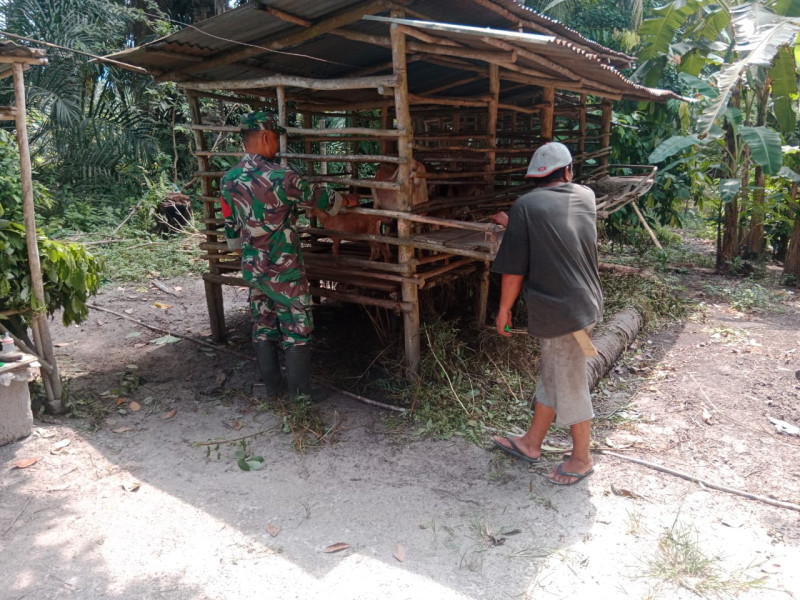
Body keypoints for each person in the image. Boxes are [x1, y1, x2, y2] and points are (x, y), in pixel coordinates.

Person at [490, 142, 603, 485]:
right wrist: (518, 224)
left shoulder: (526, 205)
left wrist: (504, 310)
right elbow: (559, 232)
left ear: (535, 178)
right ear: (568, 171)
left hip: (561, 316)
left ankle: (582, 458)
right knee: (554, 375)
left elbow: (514, 270)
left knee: (569, 380)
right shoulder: (586, 196)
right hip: (587, 308)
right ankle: (531, 443)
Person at [221, 111, 343, 401]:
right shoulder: (281, 177)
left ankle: (273, 388)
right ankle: (300, 396)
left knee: (263, 325)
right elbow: (327, 202)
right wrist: (345, 199)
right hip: (285, 269)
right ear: (265, 137)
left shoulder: (229, 179)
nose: (276, 146)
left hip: (254, 269)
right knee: (297, 326)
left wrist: (253, 248)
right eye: (275, 138)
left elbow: (231, 234)